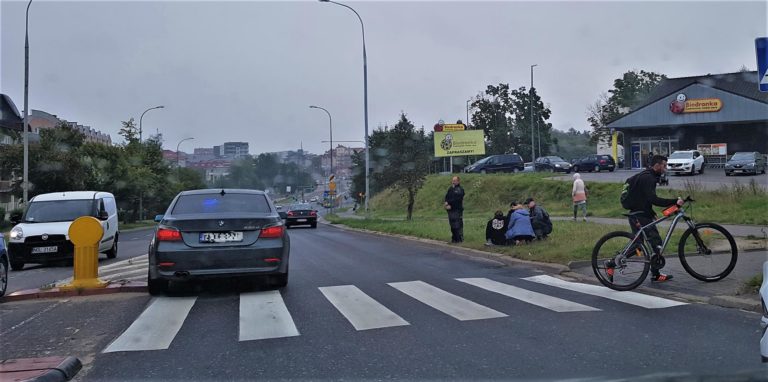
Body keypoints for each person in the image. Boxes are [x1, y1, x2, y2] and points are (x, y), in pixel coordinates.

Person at [612, 154, 684, 282]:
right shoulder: (649, 178)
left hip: (638, 213)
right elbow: (653, 199)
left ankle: (612, 263)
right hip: (640, 216)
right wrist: (674, 201)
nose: (665, 168)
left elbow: (643, 198)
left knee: (639, 245)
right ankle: (654, 274)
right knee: (656, 243)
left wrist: (651, 212)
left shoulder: (646, 175)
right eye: (664, 166)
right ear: (657, 165)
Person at [444, 176, 465, 243]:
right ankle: (454, 238)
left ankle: (459, 239)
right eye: (453, 180)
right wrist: (446, 203)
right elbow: (447, 196)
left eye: (455, 180)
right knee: (452, 224)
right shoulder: (451, 188)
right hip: (450, 210)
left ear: (458, 181)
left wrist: (449, 203)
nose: (453, 182)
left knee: (457, 224)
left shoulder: (460, 189)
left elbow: (457, 199)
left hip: (457, 209)